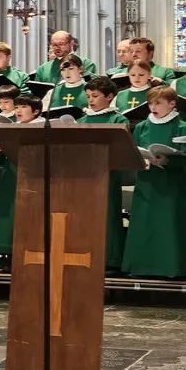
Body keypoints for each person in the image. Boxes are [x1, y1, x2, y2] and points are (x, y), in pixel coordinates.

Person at [122, 87, 186, 278]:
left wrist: (169, 160)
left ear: (172, 104)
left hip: (172, 185)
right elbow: (132, 152)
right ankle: (142, 267)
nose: (153, 107)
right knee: (144, 223)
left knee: (169, 225)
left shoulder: (183, 127)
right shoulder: (142, 127)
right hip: (147, 182)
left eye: (158, 103)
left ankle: (172, 267)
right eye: (150, 103)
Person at [77, 77, 130, 272]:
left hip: (107, 174)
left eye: (95, 96)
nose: (90, 100)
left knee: (107, 215)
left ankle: (110, 259)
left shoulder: (117, 119)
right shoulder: (82, 120)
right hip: (83, 175)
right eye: (88, 96)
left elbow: (122, 148)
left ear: (109, 97)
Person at [0, 94, 43, 270]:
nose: (18, 111)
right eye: (16, 107)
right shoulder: (10, 128)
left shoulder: (41, 128)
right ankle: (6, 253)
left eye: (24, 107)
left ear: (36, 111)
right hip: (11, 176)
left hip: (32, 176)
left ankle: (30, 252)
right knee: (9, 213)